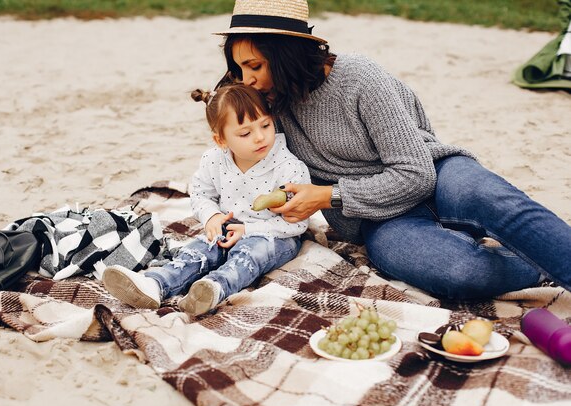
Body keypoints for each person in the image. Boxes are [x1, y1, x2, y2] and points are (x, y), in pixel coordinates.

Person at [212, 0, 571, 299]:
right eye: (239, 68)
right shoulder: (267, 105)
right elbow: (232, 147)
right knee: (462, 273)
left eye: (254, 66)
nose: (247, 80)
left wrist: (326, 196)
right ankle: (538, 264)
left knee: (492, 198)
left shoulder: (360, 78)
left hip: (437, 175)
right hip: (381, 220)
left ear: (286, 54)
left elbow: (416, 174)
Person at [103, 83, 311, 314]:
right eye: (245, 133)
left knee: (249, 255)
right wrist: (212, 216)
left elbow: (297, 223)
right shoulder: (214, 160)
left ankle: (213, 289)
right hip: (228, 228)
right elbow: (201, 194)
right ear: (221, 140)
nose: (260, 137)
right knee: (198, 250)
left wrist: (248, 231)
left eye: (266, 124)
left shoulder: (289, 167)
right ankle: (155, 284)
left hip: (274, 236)